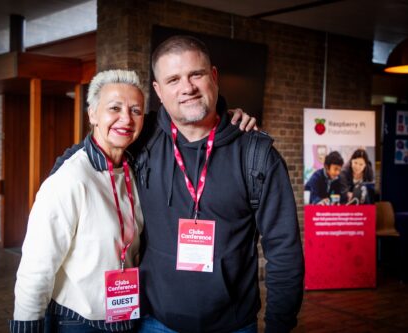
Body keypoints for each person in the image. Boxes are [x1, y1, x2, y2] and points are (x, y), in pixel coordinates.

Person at [50, 35, 302, 332]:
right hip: (154, 322)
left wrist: (279, 327)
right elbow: (82, 156)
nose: (187, 88)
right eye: (173, 79)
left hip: (232, 325)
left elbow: (284, 252)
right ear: (158, 91)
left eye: (196, 74)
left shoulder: (256, 155)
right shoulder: (142, 138)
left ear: (214, 77)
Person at [10, 70, 147, 332]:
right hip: (77, 322)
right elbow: (36, 269)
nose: (126, 119)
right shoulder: (70, 179)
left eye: (136, 110)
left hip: (125, 317)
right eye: (114, 108)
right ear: (93, 114)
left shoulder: (133, 171)